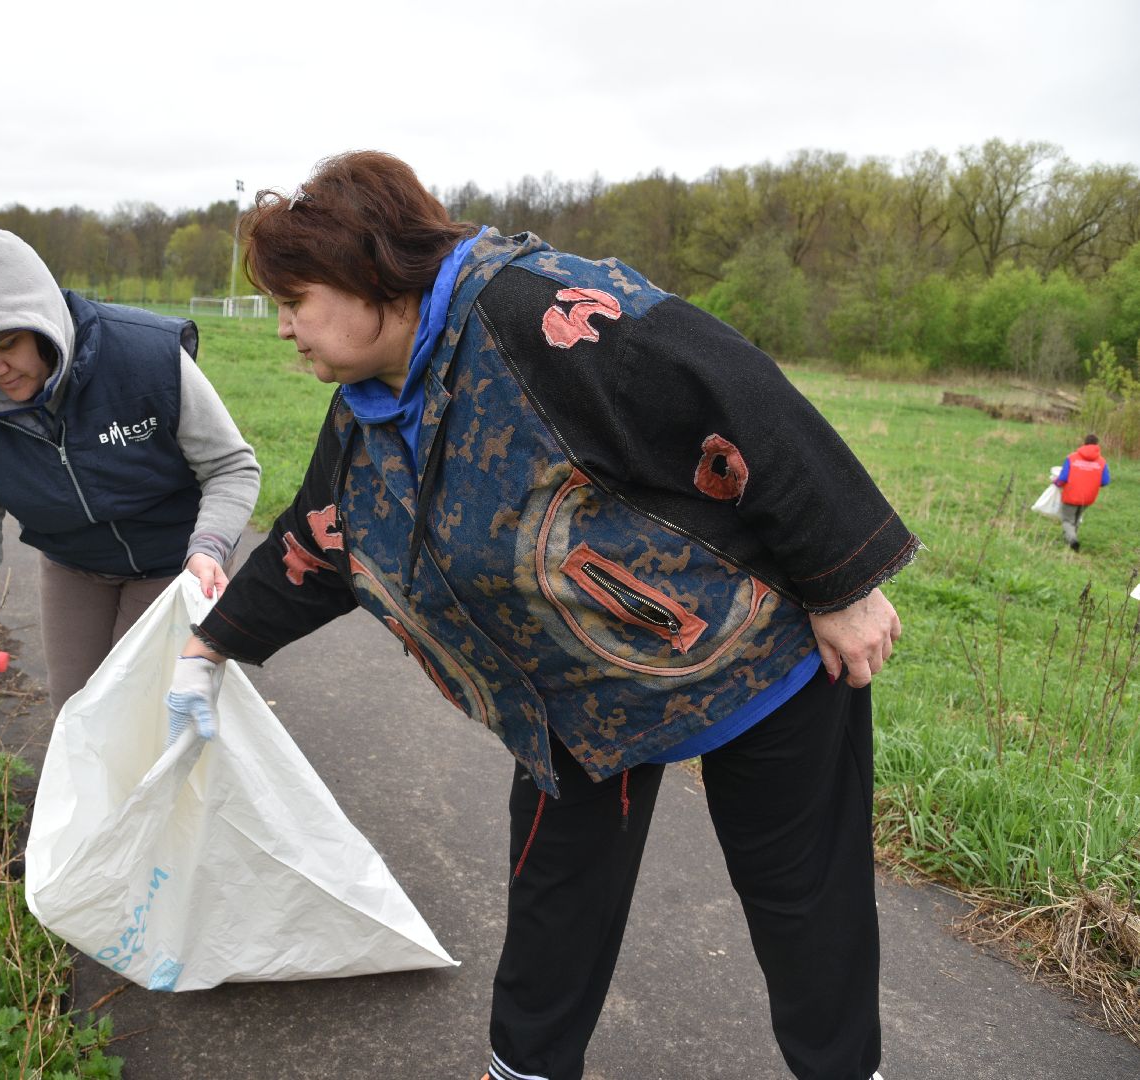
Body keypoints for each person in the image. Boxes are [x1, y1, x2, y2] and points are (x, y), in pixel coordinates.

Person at [165, 153, 914, 1080]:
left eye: (297, 299)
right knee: (557, 893)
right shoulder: (365, 411)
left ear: (371, 275)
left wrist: (843, 583)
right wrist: (212, 645)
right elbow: (323, 541)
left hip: (745, 648)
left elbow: (744, 393)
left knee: (800, 895)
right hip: (574, 695)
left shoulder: (543, 314)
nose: (283, 328)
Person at [0, 228, 260, 715]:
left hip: (176, 562)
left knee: (146, 714)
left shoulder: (147, 356)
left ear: (42, 318)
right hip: (73, 565)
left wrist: (210, 547)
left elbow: (231, 466)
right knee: (77, 714)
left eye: (7, 343)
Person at [1051, 433, 1110, 551]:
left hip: (1071, 495)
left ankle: (1072, 540)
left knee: (1067, 519)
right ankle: (1069, 539)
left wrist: (1056, 483)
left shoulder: (1072, 457)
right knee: (1076, 518)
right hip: (1088, 497)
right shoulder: (1102, 462)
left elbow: (1063, 478)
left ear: (1084, 443)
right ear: (1097, 445)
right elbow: (1105, 481)